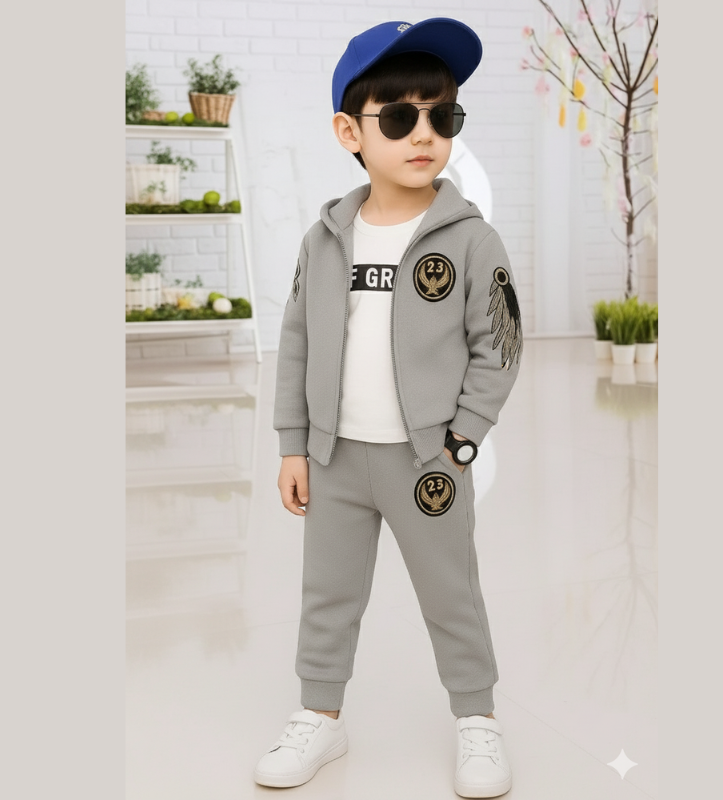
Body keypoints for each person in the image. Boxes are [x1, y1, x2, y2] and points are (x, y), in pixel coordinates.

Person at [254, 17, 523, 799]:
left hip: (426, 460)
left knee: (451, 593)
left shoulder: (470, 240)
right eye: (400, 117)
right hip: (336, 458)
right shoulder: (324, 240)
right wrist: (293, 443)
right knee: (328, 595)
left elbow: (500, 345)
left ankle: (477, 719)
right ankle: (320, 716)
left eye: (443, 116)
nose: (425, 134)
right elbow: (297, 340)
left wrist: (462, 440)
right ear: (351, 132)